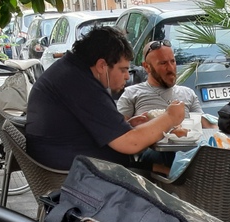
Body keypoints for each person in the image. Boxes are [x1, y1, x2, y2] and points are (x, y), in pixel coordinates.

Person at [25, 26, 186, 172]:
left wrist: (126, 126)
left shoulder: (71, 71)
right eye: (123, 70)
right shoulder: (81, 84)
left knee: (164, 168)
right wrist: (170, 117)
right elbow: (131, 143)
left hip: (73, 163)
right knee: (172, 173)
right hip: (75, 175)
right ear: (102, 65)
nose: (126, 77)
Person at [116, 39, 209, 127]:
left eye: (172, 61)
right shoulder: (131, 93)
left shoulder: (188, 94)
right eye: (163, 63)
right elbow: (117, 131)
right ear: (147, 67)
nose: (171, 68)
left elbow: (207, 127)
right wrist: (131, 125)